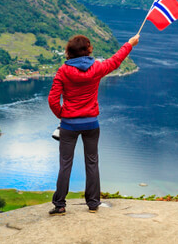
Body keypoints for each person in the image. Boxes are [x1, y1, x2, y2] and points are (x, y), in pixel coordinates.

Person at [48, 33, 139, 215]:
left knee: (65, 164)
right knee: (92, 162)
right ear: (88, 50)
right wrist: (129, 44)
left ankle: (59, 204)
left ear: (68, 52)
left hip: (69, 125)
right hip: (91, 124)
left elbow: (52, 99)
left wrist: (62, 115)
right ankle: (93, 203)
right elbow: (115, 60)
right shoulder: (96, 68)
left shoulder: (63, 71)